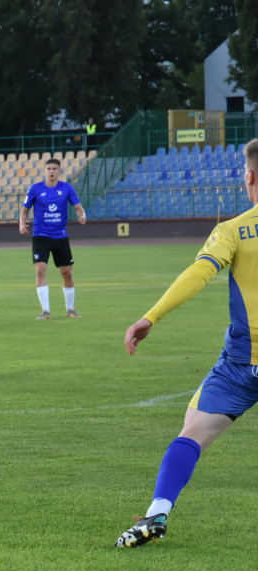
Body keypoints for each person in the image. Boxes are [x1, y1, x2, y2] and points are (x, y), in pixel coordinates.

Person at [115, 138, 258, 548]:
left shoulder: (232, 230)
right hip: (237, 361)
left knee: (191, 433)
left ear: (247, 176)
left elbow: (198, 274)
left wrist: (150, 317)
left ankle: (157, 515)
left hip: (240, 366)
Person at [18, 158, 87, 319]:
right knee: (40, 269)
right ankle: (46, 311)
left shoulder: (67, 188)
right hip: (40, 236)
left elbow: (78, 208)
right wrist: (21, 225)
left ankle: (70, 309)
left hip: (60, 236)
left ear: (59, 171)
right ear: (45, 171)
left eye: (54, 168)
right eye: (48, 168)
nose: (51, 171)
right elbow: (24, 211)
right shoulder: (35, 189)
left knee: (66, 272)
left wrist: (82, 215)